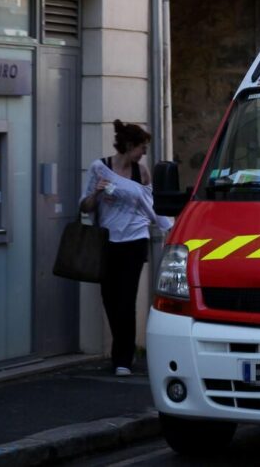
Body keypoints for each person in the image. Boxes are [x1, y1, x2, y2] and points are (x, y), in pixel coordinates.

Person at [80, 120, 170, 376]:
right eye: (142, 147)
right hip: (108, 241)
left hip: (135, 240)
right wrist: (97, 194)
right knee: (109, 298)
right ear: (129, 145)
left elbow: (150, 206)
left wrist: (168, 227)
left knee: (126, 299)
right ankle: (120, 350)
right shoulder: (100, 168)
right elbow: (84, 206)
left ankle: (123, 359)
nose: (144, 153)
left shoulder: (142, 173)